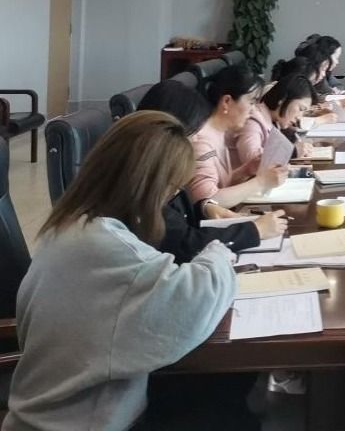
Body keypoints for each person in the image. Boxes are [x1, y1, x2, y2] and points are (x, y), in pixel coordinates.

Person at [3, 112, 237, 431]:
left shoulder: (70, 225)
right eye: (171, 189)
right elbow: (196, 296)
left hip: (48, 413)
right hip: (78, 422)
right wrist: (220, 253)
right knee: (224, 403)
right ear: (150, 185)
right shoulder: (106, 245)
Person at [137, 80, 286, 263]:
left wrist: (205, 208)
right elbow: (185, 244)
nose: (195, 139)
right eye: (192, 133)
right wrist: (255, 231)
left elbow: (179, 216)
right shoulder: (144, 182)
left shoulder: (157, 168)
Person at [188, 64, 287, 207]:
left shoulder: (220, 132)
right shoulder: (201, 142)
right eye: (251, 102)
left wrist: (246, 170)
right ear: (227, 101)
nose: (253, 111)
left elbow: (220, 184)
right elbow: (207, 201)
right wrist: (261, 182)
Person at [235, 74, 316, 166]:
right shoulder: (253, 120)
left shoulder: (273, 121)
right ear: (283, 99)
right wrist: (292, 152)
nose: (299, 117)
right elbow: (250, 158)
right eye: (301, 109)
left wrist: (289, 135)